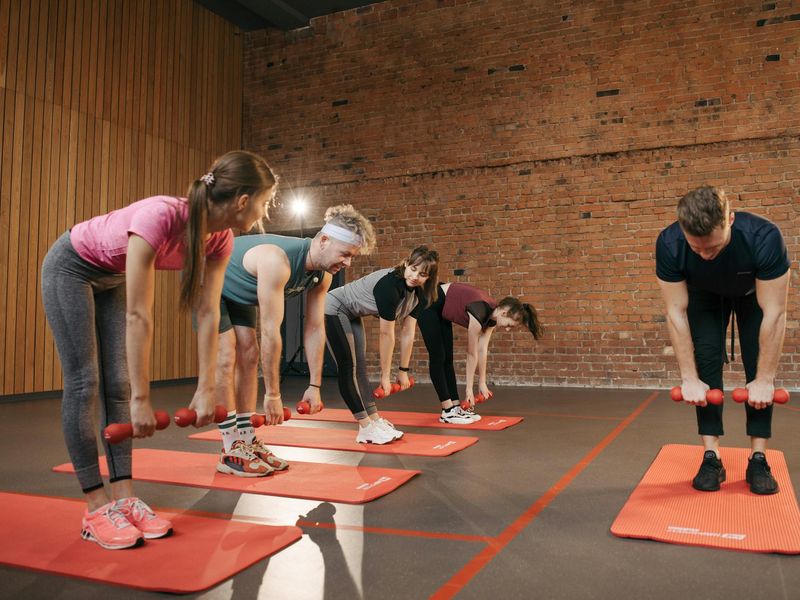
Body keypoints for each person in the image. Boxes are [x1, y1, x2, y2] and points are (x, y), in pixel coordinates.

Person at [41, 150, 276, 549]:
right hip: (72, 267)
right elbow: (139, 316)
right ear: (242, 202)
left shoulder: (220, 238)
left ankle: (125, 497)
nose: (265, 210)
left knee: (117, 385)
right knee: (86, 382)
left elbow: (206, 313)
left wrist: (205, 387)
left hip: (109, 277)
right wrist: (143, 398)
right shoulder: (161, 216)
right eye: (265, 202)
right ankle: (96, 509)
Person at [212, 205, 376, 476]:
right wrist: (273, 394)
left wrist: (315, 385)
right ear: (323, 241)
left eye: (352, 257)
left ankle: (247, 440)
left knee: (249, 354)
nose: (348, 263)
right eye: (345, 254)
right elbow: (271, 330)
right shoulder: (278, 262)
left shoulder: (323, 275)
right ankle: (230, 448)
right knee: (228, 354)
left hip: (240, 290)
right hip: (211, 276)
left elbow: (314, 328)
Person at [656, 185, 790, 495]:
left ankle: (758, 457)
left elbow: (775, 314)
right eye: (696, 248)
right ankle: (711, 457)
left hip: (751, 292)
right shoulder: (670, 243)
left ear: (730, 219)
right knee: (705, 360)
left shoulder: (763, 238)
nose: (704, 254)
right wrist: (688, 378)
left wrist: (765, 379)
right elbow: (675, 313)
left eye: (712, 248)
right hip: (703, 293)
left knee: (758, 362)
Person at [325, 246, 439, 444]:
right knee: (348, 367)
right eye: (412, 268)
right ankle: (365, 427)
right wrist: (385, 377)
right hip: (334, 307)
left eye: (422, 274)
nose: (414, 276)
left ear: (429, 278)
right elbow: (386, 334)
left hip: (352, 314)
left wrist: (403, 370)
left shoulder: (419, 296)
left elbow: (408, 331)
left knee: (360, 368)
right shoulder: (390, 286)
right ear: (405, 264)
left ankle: (374, 421)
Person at [415, 283, 543, 424]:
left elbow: (482, 351)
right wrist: (469, 389)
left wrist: (482, 382)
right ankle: (447, 411)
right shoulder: (479, 312)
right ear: (504, 313)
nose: (507, 330)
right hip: (429, 301)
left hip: (442, 308)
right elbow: (471, 353)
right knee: (438, 357)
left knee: (448, 358)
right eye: (508, 325)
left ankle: (455, 406)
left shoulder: (491, 318)